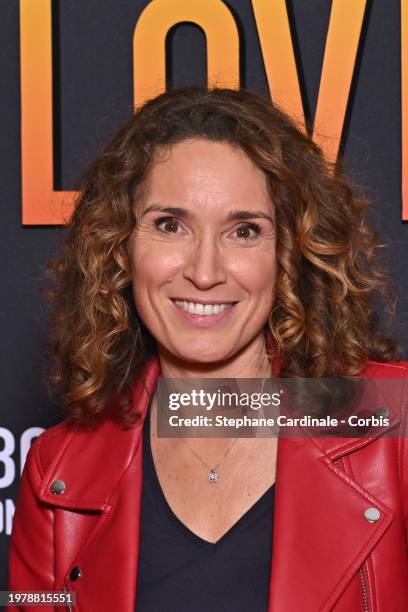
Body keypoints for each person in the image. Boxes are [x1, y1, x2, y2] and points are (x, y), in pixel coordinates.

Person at [7, 85, 408, 612]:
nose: (204, 272)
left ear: (289, 251)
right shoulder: (60, 470)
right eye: (170, 226)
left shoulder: (390, 424)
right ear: (119, 245)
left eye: (244, 231)